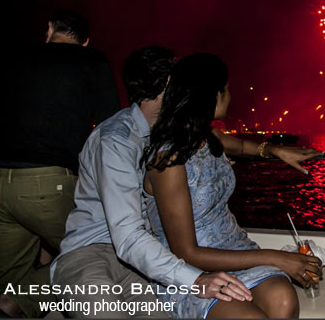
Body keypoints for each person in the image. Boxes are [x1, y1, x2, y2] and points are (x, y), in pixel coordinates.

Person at [51, 46, 251, 318]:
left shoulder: (173, 134)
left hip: (145, 261)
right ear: (170, 84)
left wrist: (270, 150)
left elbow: (219, 139)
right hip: (93, 253)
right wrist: (195, 280)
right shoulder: (116, 141)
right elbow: (128, 236)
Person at [142, 53, 324, 319]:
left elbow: (241, 146)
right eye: (226, 89)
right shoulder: (169, 159)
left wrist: (275, 150)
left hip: (235, 249)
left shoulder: (207, 137)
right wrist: (276, 257)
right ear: (211, 95)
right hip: (192, 270)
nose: (230, 95)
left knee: (283, 299)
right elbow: (186, 252)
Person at [0, 10, 120, 317]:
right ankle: (19, 301)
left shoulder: (13, 58)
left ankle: (10, 304)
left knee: (5, 285)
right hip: (48, 182)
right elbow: (110, 126)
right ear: (85, 42)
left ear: (49, 29)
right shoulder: (91, 60)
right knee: (103, 254)